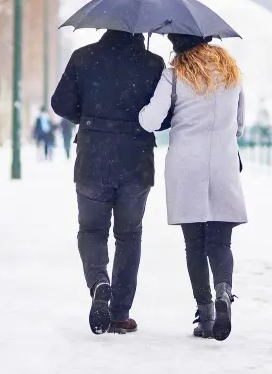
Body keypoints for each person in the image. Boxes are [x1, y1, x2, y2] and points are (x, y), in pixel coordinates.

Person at [51, 30, 166, 336]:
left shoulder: (83, 57)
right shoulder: (153, 64)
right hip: (136, 161)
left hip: (93, 158)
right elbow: (164, 117)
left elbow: (60, 104)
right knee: (129, 236)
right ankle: (119, 314)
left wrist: (91, 118)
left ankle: (99, 281)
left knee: (91, 230)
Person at [138, 34, 246, 342]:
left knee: (195, 245)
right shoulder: (231, 72)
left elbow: (151, 120)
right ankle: (224, 291)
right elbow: (239, 124)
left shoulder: (174, 73)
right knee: (221, 243)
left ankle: (206, 314)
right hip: (223, 164)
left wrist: (145, 108)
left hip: (187, 166)